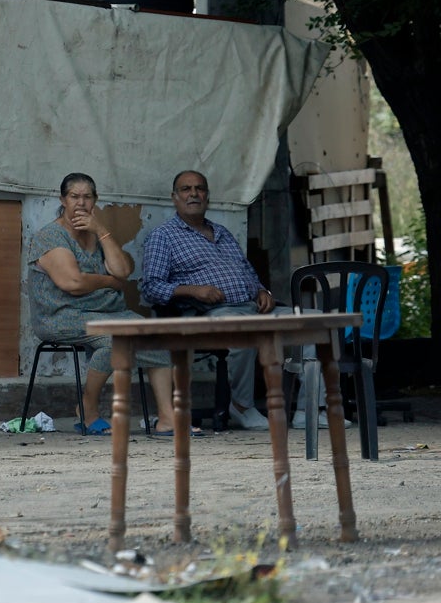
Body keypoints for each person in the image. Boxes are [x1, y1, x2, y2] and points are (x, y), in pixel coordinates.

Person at [141, 169, 338, 431]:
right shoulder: (163, 236)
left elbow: (248, 273)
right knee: (245, 329)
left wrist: (262, 292)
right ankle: (241, 406)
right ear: (174, 197)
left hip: (255, 307)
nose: (193, 194)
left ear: (207, 196)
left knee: (317, 322)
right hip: (211, 312)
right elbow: (151, 288)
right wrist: (192, 290)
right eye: (186, 189)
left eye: (199, 188)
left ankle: (310, 410)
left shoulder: (222, 233)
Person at [28, 172, 193, 437]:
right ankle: (87, 408)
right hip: (61, 315)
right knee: (115, 340)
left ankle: (167, 419)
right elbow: (73, 283)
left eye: (87, 197)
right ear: (63, 199)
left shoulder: (96, 235)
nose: (81, 203)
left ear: (95, 200)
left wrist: (101, 231)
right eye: (74, 197)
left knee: (158, 337)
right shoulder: (50, 236)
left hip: (107, 312)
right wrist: (108, 281)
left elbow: (123, 270)